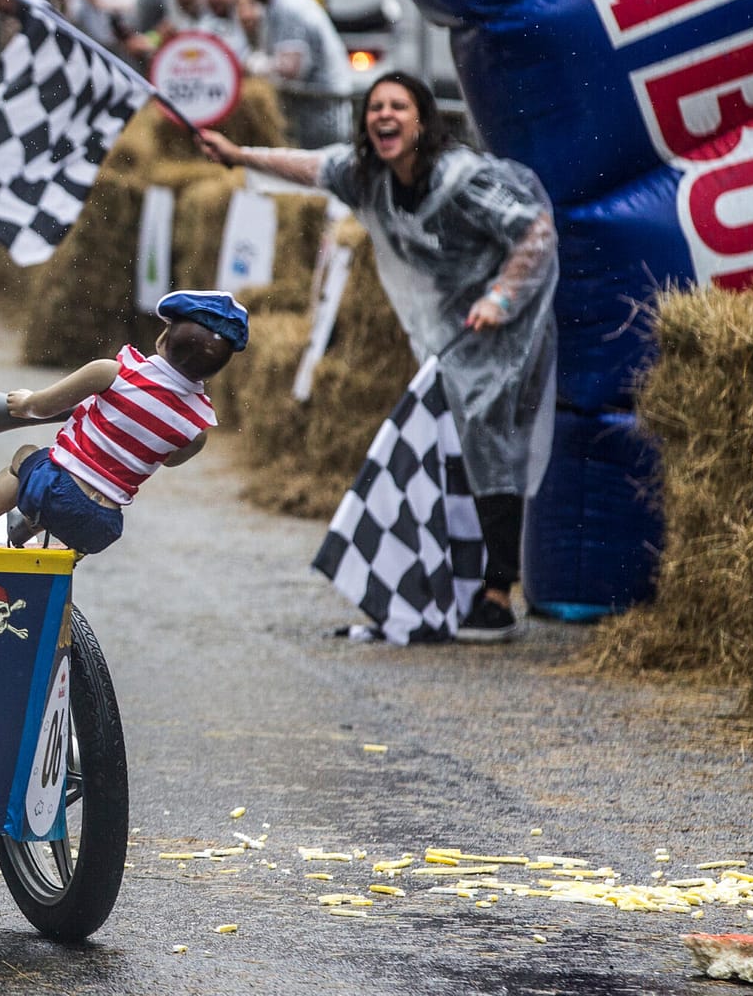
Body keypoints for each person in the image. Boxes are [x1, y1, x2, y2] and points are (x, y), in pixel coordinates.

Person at [194, 71, 558, 641]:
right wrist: (237, 154)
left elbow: (535, 232)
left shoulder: (462, 179)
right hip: (453, 334)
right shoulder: (368, 176)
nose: (384, 115)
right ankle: (454, 579)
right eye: (375, 107)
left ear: (421, 121)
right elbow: (308, 167)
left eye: (398, 106)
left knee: (489, 448)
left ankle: (496, 593)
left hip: (504, 333)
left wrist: (501, 298)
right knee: (448, 448)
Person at [0, 291, 248, 556]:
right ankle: (23, 527)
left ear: (163, 337)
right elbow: (168, 459)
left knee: (28, 457)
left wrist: (25, 402)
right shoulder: (197, 429)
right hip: (103, 525)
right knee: (64, 495)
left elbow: (43, 407)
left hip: (56, 489)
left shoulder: (115, 373)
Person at [244, 0, 351, 149]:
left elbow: (292, 68)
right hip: (314, 113)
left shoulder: (289, 6)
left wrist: (253, 65)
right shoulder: (278, 5)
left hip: (323, 114)